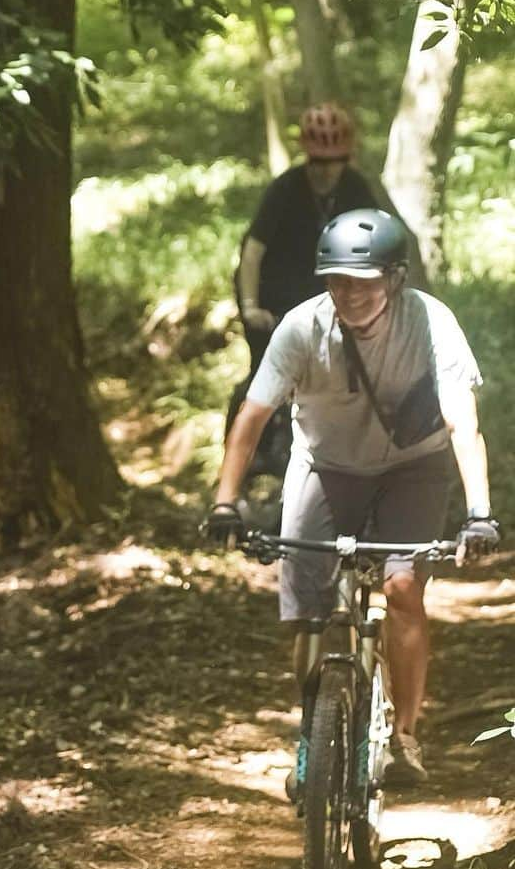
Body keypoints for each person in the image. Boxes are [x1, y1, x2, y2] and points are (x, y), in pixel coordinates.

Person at [208, 209, 500, 786]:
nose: (350, 294)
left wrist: (478, 512)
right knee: (309, 612)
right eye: (337, 280)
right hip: (326, 466)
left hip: (413, 467)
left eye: (364, 282)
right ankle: (312, 741)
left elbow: (463, 423)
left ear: (393, 279)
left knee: (402, 588)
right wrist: (225, 501)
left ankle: (405, 739)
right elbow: (253, 415)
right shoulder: (301, 328)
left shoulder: (430, 321)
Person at [230, 105, 380, 472]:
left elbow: (379, 246)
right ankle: (246, 462)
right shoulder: (285, 189)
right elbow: (251, 255)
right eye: (318, 163)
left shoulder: (356, 187)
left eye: (335, 162)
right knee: (263, 378)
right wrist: (250, 308)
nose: (326, 172)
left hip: (331, 299)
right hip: (274, 299)